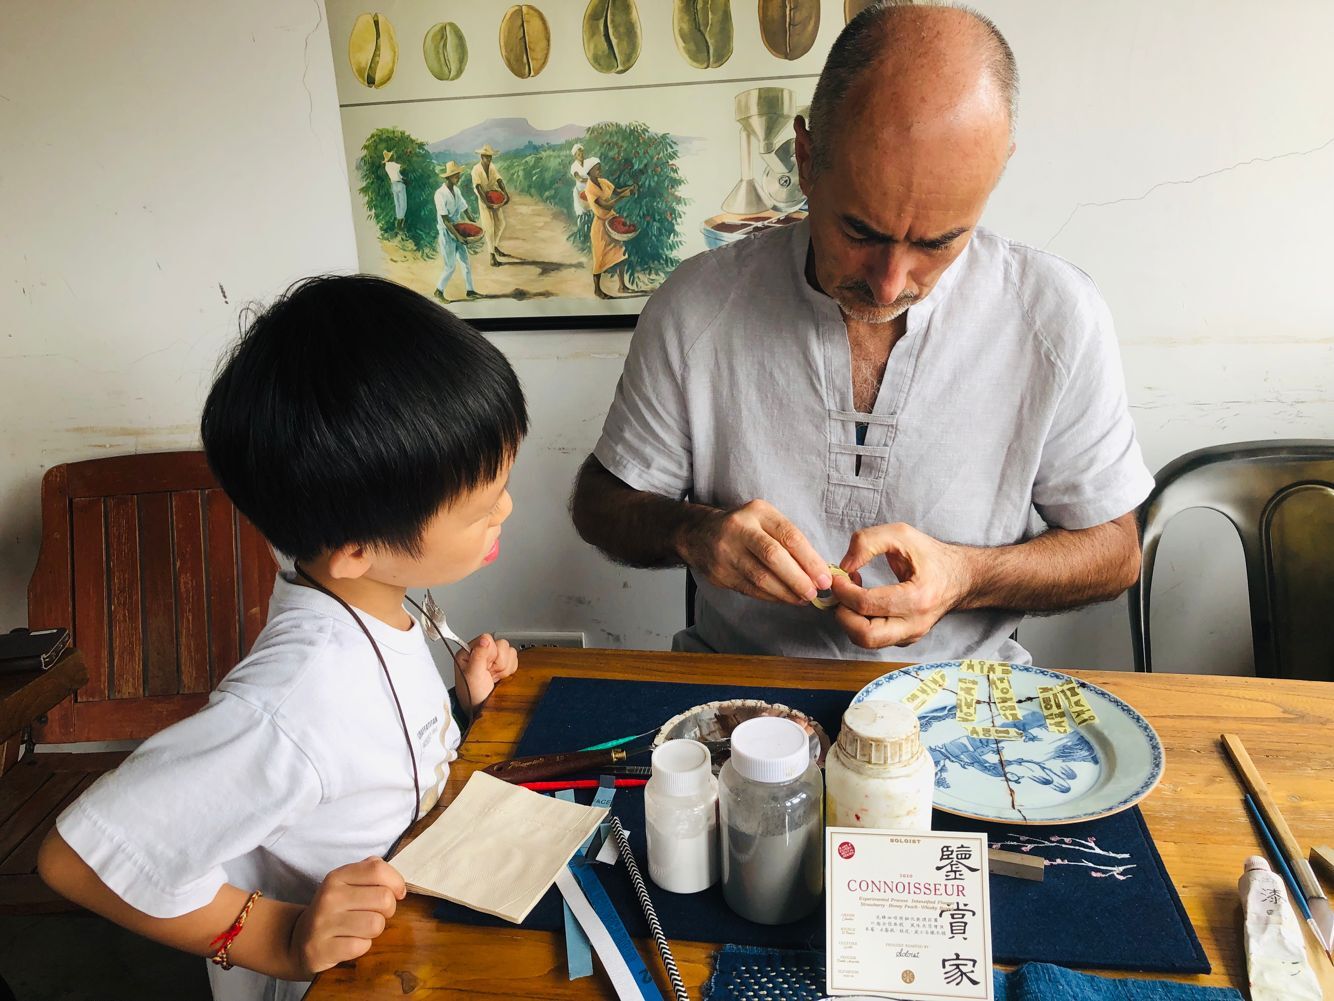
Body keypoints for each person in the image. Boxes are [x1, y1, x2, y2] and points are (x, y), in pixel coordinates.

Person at [570, 2, 1153, 664]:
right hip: (738, 695)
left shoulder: (1056, 316)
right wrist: (692, 531)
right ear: (805, 158)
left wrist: (966, 577)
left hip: (960, 700)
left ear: (996, 171)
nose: (888, 283)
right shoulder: (697, 307)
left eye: (938, 242)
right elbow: (599, 504)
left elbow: (1116, 551)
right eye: (860, 231)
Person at [37, 275, 527, 1001]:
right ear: (358, 549)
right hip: (337, 982)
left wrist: (461, 707)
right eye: (481, 508)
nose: (506, 509)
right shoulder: (294, 703)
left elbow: (367, 762)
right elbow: (78, 861)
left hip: (410, 925)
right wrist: (281, 939)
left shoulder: (363, 598)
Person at [583, 158, 638, 299]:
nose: (599, 170)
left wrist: (629, 189)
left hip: (612, 221)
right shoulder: (590, 189)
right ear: (589, 172)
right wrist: (622, 197)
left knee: (621, 254)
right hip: (600, 226)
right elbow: (606, 205)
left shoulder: (603, 182)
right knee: (600, 258)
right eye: (597, 168)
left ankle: (622, 286)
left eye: (599, 167)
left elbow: (617, 191)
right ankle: (597, 290)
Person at [433, 160, 479, 302]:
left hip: (457, 228)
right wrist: (458, 237)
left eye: (458, 174)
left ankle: (470, 291)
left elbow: (464, 207)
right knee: (450, 266)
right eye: (455, 175)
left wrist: (472, 219)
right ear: (448, 177)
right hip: (447, 233)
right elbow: (446, 220)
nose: (458, 177)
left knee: (465, 262)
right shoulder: (440, 194)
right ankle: (439, 291)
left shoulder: (456, 191)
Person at [471, 143, 514, 267]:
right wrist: (487, 204)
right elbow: (478, 188)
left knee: (501, 223)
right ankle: (492, 256)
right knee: (489, 227)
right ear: (481, 157)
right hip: (483, 199)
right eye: (486, 157)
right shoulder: (476, 170)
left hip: (494, 197)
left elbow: (499, 180)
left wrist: (506, 194)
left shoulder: (492, 167)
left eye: (490, 157)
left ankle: (494, 246)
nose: (489, 159)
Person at [383, 149, 407, 235]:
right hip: (400, 184)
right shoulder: (394, 164)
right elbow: (403, 167)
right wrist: (406, 155)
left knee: (397, 204)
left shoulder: (386, 166)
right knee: (403, 204)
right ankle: (400, 224)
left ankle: (398, 224)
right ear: (391, 158)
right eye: (392, 156)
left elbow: (397, 174)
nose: (394, 156)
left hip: (393, 184)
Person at [570, 143, 591, 218]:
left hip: (590, 190)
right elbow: (580, 179)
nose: (581, 156)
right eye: (579, 154)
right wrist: (592, 180)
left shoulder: (588, 163)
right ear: (575, 156)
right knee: (581, 213)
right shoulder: (574, 166)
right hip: (580, 192)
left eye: (582, 153)